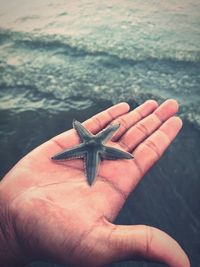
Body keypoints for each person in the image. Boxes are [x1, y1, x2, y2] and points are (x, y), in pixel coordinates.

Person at [0, 99, 190, 267]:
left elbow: (87, 132)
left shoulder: (91, 141)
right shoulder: (89, 143)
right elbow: (82, 133)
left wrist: (9, 235)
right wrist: (8, 233)